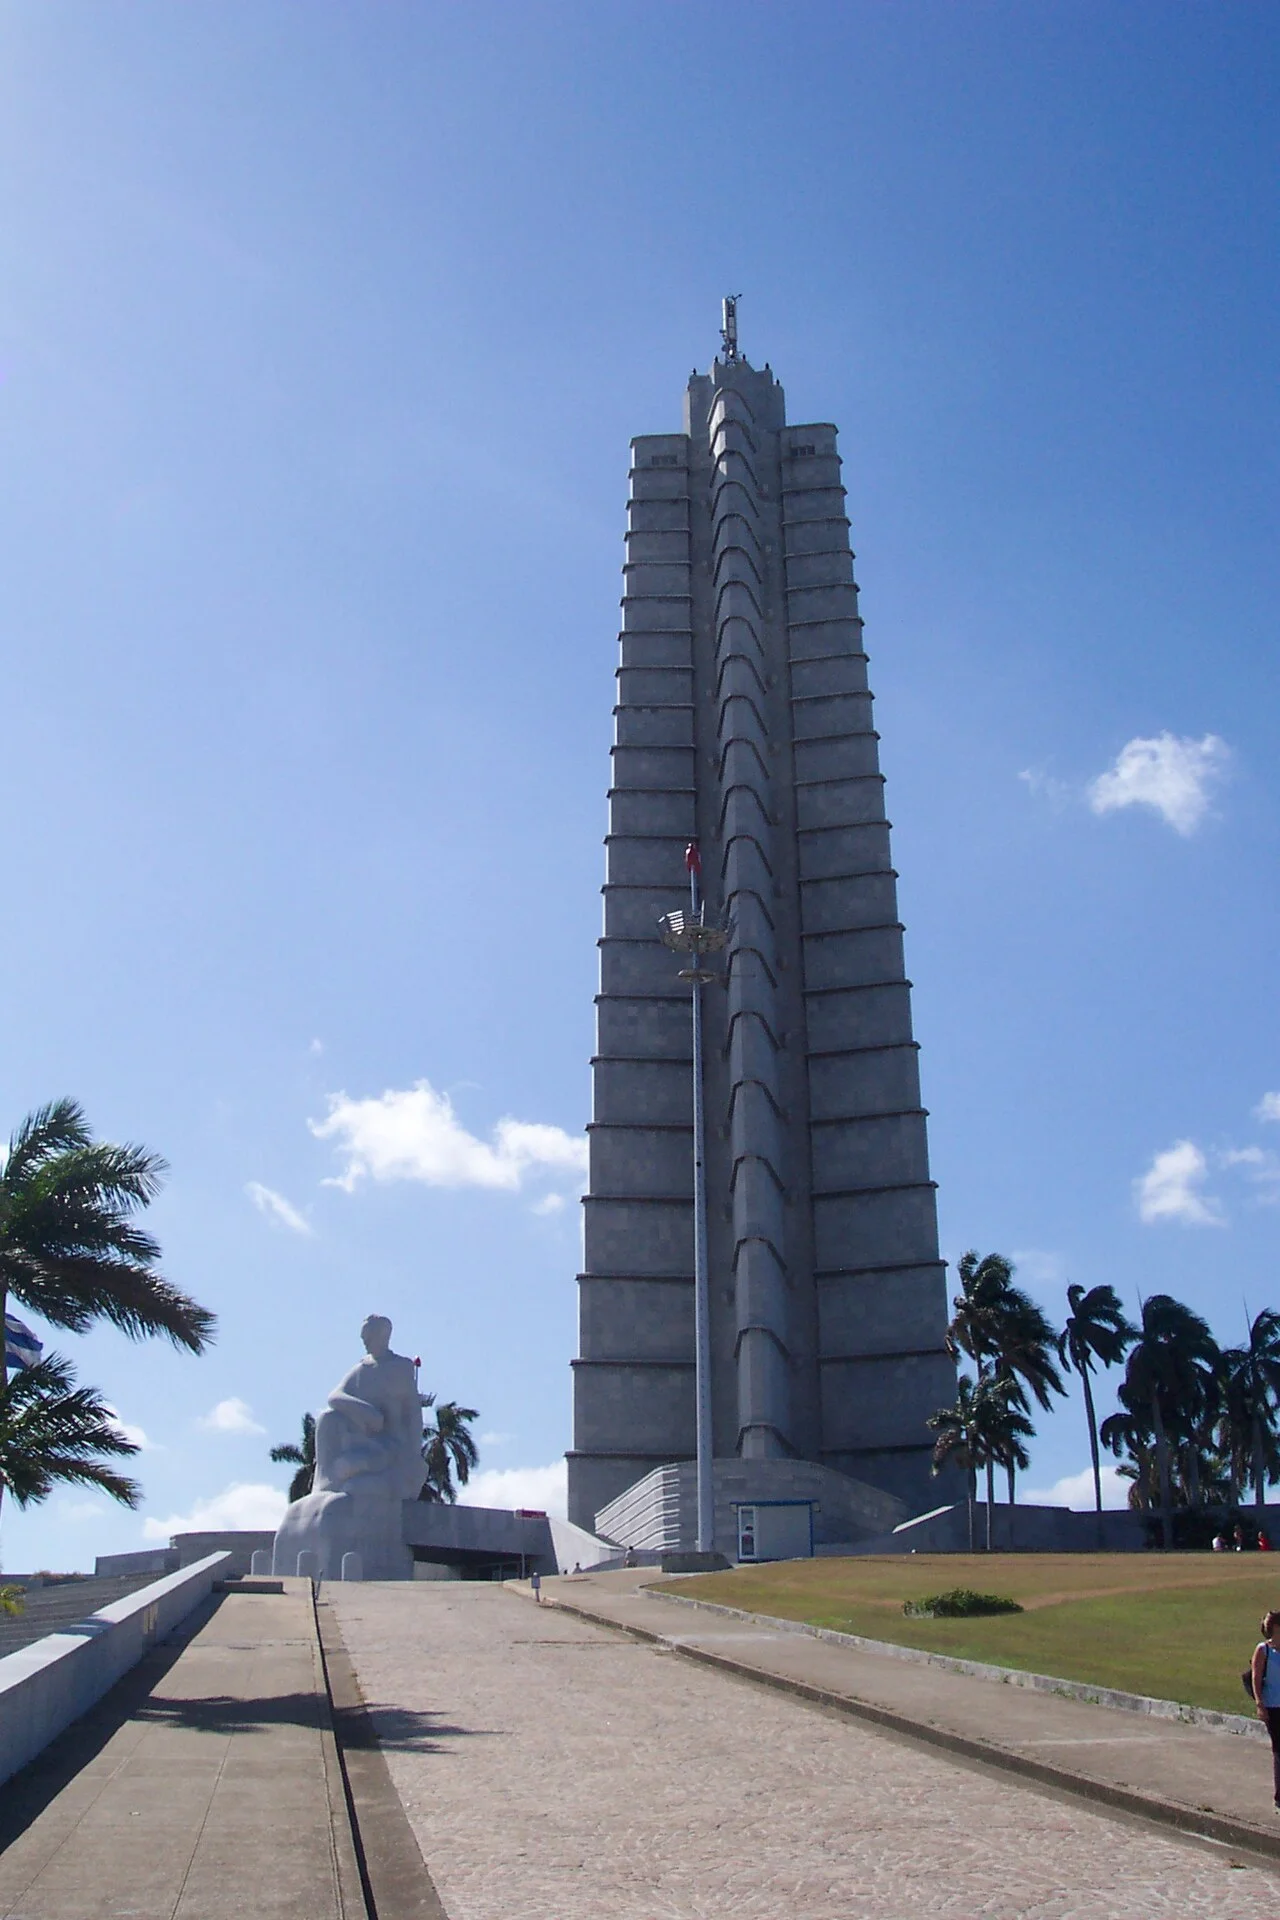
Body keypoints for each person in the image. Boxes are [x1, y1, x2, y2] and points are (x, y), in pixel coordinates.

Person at [1252, 1611, 1280, 1811]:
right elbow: (1256, 1677)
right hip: (1273, 1707)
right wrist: (1260, 1704)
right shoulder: (1264, 1650)